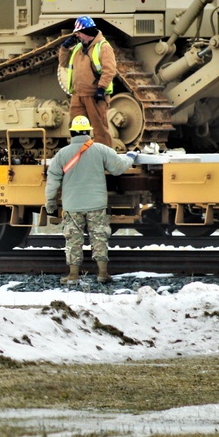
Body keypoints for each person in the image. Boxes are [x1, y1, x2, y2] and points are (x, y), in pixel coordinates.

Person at [45, 115, 138, 284]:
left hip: (72, 206)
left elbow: (52, 180)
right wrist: (131, 157)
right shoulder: (100, 149)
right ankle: (103, 274)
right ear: (89, 132)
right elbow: (118, 167)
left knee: (73, 239)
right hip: (96, 204)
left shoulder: (62, 154)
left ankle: (73, 275)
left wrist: (50, 201)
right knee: (99, 237)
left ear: (71, 132)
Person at [59, 15, 117, 147]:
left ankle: (104, 159)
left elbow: (109, 70)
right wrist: (64, 48)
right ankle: (80, 156)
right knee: (75, 128)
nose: (77, 36)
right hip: (78, 95)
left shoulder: (103, 47)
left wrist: (101, 88)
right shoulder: (79, 48)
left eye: (78, 33)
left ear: (86, 32)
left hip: (94, 96)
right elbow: (63, 63)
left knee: (100, 129)